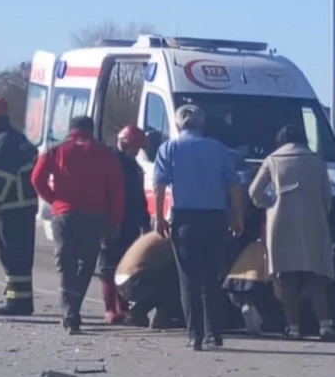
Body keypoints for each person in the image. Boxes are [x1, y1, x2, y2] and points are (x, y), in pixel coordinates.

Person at [153, 104, 245, 351]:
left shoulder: (169, 148)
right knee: (212, 277)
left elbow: (159, 185)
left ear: (178, 124)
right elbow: (233, 186)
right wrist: (237, 216)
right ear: (202, 125)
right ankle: (213, 332)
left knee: (188, 279)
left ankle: (194, 334)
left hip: (185, 219)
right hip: (215, 219)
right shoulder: (219, 150)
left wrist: (159, 217)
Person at [30, 116, 124, 334]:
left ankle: (70, 314)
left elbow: (36, 178)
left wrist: (53, 199)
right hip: (94, 216)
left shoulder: (57, 150)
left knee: (66, 263)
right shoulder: (105, 154)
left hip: (64, 216)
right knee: (86, 265)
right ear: (90, 130)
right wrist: (115, 221)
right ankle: (73, 310)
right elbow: (117, 192)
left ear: (71, 129)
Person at [248, 123, 335, 341]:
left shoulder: (273, 160)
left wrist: (269, 203)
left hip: (281, 221)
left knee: (286, 275)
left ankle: (293, 326)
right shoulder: (317, 160)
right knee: (317, 274)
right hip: (314, 221)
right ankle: (325, 325)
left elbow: (254, 192)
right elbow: (328, 197)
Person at [0, 97, 40, 316]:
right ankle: (20, 300)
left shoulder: (3, 142)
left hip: (12, 208)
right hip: (24, 206)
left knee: (12, 255)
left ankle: (18, 303)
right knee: (21, 255)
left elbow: (1, 178)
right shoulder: (15, 138)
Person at [98, 125, 152, 324]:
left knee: (124, 266)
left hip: (128, 222)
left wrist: (145, 224)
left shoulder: (132, 167)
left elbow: (139, 199)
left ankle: (123, 307)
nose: (137, 152)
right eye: (135, 148)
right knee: (108, 267)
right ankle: (111, 309)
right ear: (125, 144)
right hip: (111, 221)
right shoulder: (111, 164)